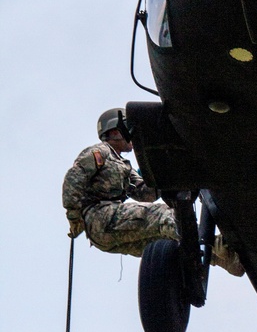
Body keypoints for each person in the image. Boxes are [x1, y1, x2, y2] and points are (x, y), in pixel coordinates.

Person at [62, 109, 243, 273]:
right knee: (165, 215)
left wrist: (161, 171)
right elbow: (74, 180)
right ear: (115, 131)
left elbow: (145, 194)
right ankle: (221, 246)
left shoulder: (124, 166)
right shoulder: (100, 152)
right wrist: (74, 217)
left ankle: (222, 261)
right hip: (100, 218)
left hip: (105, 233)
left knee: (170, 238)